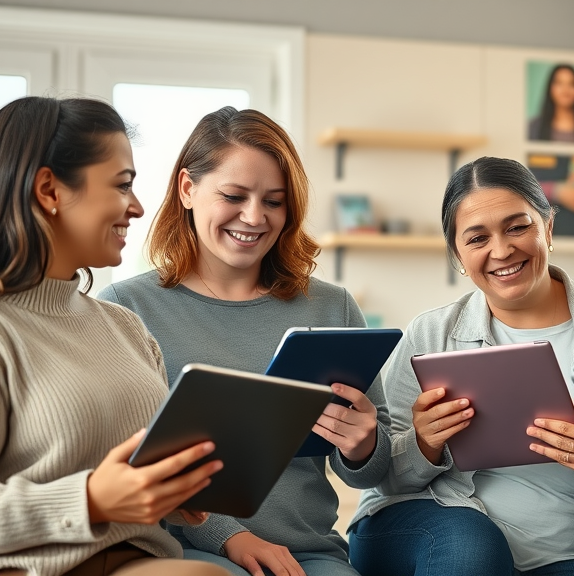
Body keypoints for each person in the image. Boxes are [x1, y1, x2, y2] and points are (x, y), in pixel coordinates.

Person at [98, 107, 391, 576]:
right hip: (185, 550)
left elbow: (377, 468)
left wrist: (364, 445)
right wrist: (229, 536)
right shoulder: (127, 307)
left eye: (274, 201)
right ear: (187, 189)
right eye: (234, 195)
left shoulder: (331, 308)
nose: (254, 217)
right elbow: (133, 460)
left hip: (309, 553)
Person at [348, 156, 574, 576]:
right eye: (477, 239)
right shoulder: (430, 334)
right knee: (470, 553)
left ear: (548, 228)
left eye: (518, 227)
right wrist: (425, 443)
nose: (502, 250)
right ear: (458, 255)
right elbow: (383, 478)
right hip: (440, 525)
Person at [0, 97, 230, 576]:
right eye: (122, 186)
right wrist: (92, 499)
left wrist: (171, 489)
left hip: (139, 558)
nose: (137, 207)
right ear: (49, 190)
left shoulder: (124, 327)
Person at [528, 64, 574, 144]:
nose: (565, 90)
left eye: (572, 84)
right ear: (550, 88)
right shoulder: (533, 128)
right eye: (559, 83)